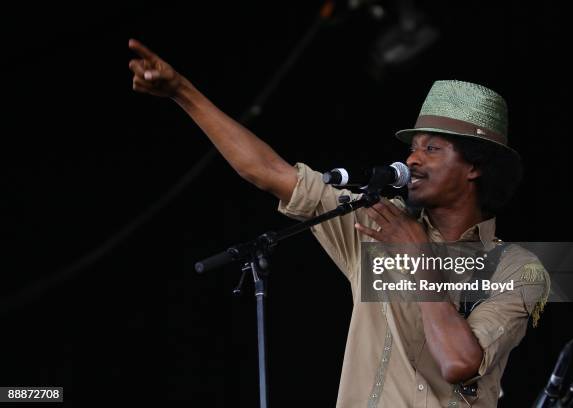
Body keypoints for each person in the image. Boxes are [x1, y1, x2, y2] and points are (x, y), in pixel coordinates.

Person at [128, 38, 549, 407]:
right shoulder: (376, 224)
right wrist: (181, 92)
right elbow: (269, 172)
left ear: (475, 167)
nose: (411, 159)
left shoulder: (518, 268)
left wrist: (419, 257)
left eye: (432, 149)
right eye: (413, 148)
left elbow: (458, 363)